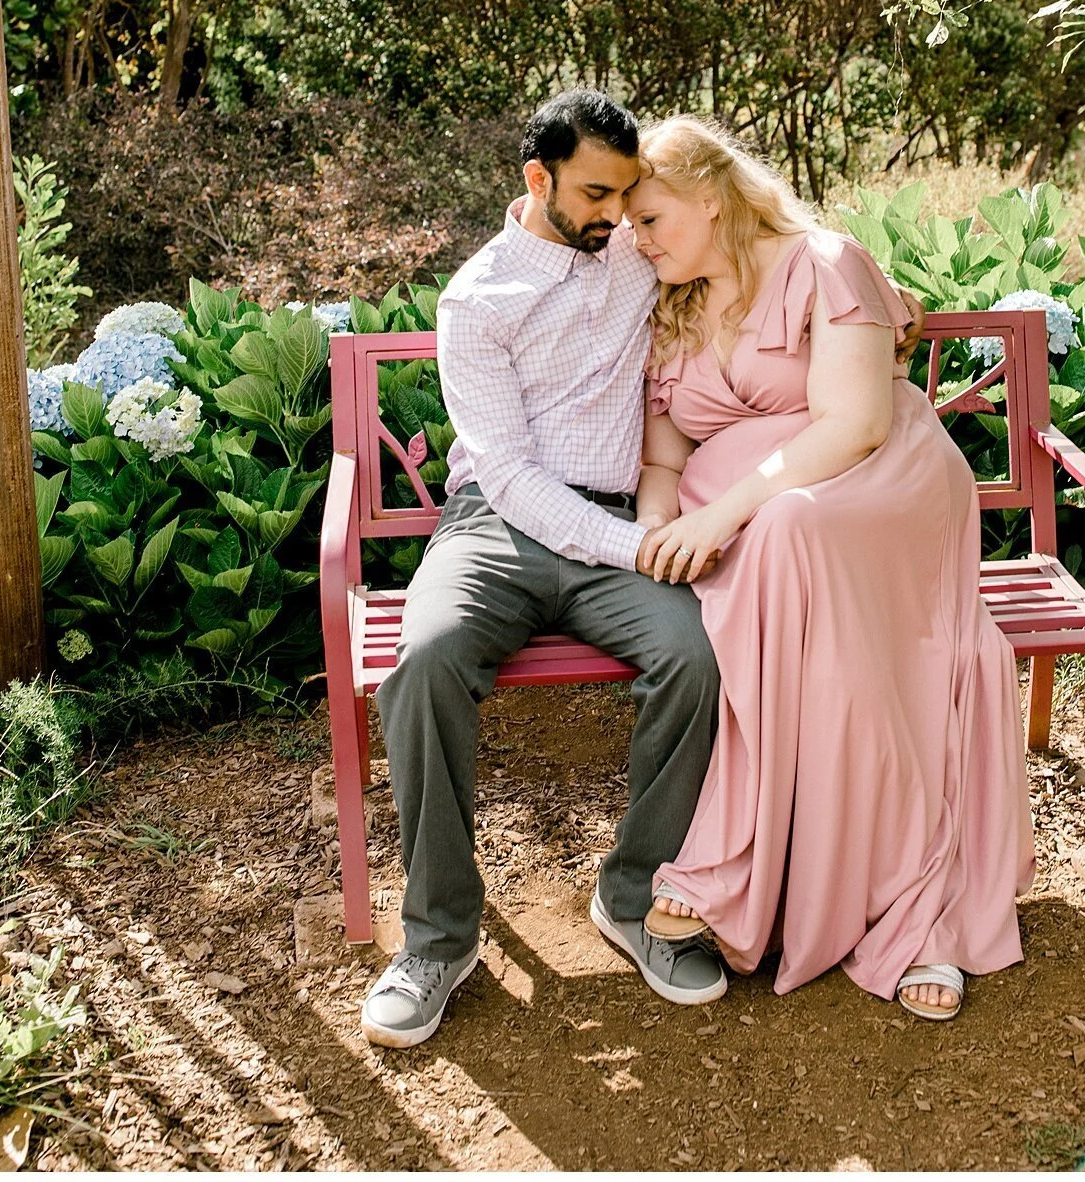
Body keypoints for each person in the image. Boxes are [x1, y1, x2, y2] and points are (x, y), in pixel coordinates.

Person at [625, 115, 1035, 1020]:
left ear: (709, 196)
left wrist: (731, 511)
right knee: (783, 546)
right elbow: (660, 461)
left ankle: (871, 895)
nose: (635, 238)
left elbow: (856, 425)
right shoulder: (670, 302)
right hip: (750, 524)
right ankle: (772, 871)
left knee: (792, 534)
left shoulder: (823, 262)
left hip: (875, 489)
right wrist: (651, 533)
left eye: (650, 218)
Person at [360, 90, 729, 1049]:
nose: (619, 217)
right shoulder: (475, 301)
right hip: (501, 529)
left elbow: (744, 249)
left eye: (626, 196)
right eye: (597, 194)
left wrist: (867, 290)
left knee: (696, 658)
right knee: (423, 662)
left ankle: (637, 897)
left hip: (616, 520)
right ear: (538, 179)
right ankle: (439, 939)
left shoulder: (634, 258)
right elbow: (513, 477)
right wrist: (636, 547)